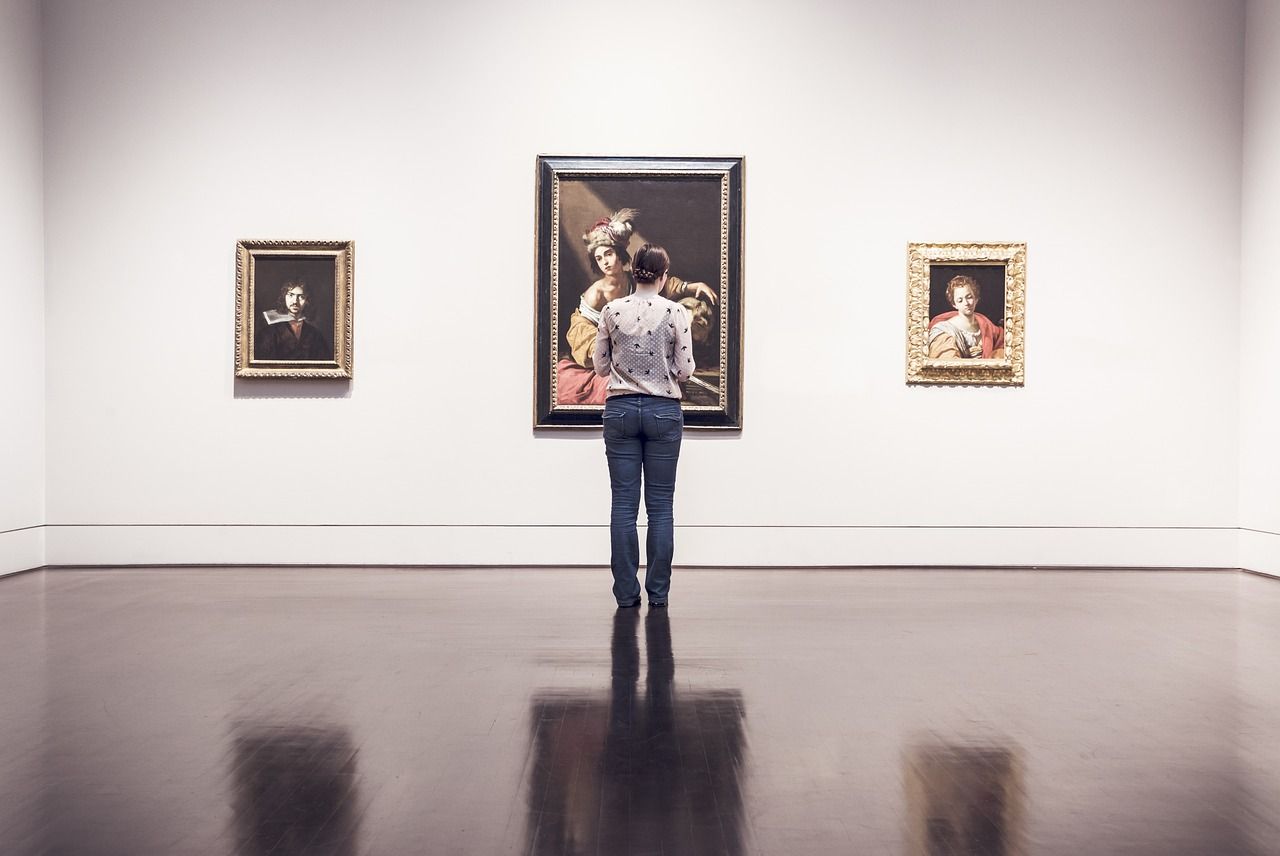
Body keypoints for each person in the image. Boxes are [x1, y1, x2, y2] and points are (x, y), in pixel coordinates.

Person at [593, 244, 695, 608]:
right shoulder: (675, 311)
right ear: (663, 275)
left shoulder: (611, 310)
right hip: (663, 412)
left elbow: (601, 367)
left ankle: (625, 595)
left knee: (623, 505)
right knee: (661, 507)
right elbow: (684, 370)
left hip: (619, 411)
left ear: (634, 271)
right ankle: (658, 593)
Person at [556, 210, 715, 404]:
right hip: (606, 358)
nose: (605, 261)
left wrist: (691, 286)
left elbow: (661, 286)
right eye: (599, 258)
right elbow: (581, 331)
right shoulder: (595, 294)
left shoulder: (633, 278)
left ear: (620, 254)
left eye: (608, 254)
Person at [927, 275, 1005, 359]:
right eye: (960, 300)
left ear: (976, 299)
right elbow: (947, 362)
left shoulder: (986, 324)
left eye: (969, 297)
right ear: (954, 304)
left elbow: (1003, 344)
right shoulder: (944, 330)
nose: (966, 303)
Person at [256, 280, 332, 361]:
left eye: (301, 297)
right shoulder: (270, 330)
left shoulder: (315, 334)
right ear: (284, 297)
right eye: (291, 295)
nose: (295, 301)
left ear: (307, 301)